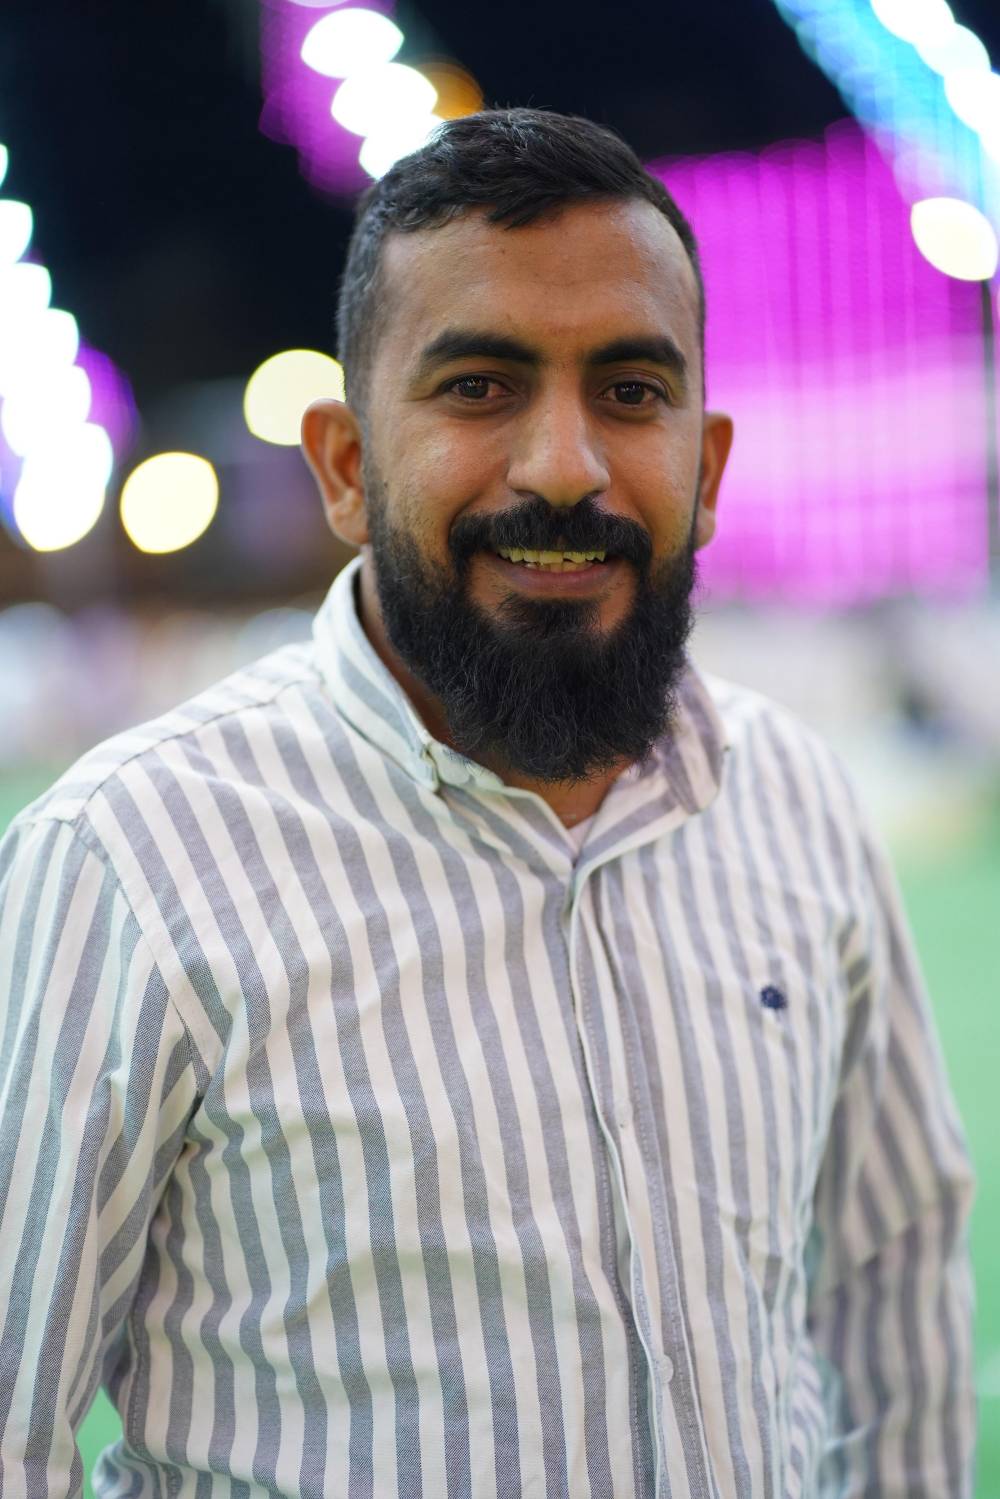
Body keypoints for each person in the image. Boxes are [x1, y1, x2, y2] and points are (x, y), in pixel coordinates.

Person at [0, 108, 976, 1499]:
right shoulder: (131, 858)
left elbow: (893, 1290)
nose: (564, 466)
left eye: (630, 390)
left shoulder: (795, 802)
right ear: (347, 466)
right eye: (479, 388)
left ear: (705, 469)